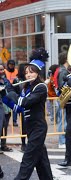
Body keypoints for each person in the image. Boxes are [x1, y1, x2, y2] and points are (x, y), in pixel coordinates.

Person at [1, 47, 53, 180]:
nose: (28, 75)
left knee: (28, 160)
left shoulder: (41, 87)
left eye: (31, 72)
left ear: (38, 74)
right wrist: (4, 97)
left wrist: (12, 93)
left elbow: (25, 102)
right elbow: (19, 108)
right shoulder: (27, 88)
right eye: (26, 73)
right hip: (30, 127)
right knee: (42, 162)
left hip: (38, 127)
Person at [12, 63, 28, 151]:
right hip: (21, 105)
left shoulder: (29, 79)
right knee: (23, 125)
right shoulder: (17, 80)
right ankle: (23, 143)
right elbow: (14, 93)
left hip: (29, 103)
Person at [55, 51, 69, 149]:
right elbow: (62, 86)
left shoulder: (61, 70)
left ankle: (63, 140)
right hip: (63, 98)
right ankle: (62, 141)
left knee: (63, 119)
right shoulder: (63, 71)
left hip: (62, 98)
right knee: (63, 120)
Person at [0, 64, 12, 152]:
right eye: (0, 69)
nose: (1, 71)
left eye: (2, 69)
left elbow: (11, 90)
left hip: (7, 107)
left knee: (5, 126)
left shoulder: (6, 80)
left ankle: (3, 145)